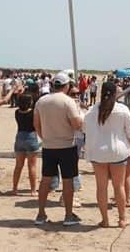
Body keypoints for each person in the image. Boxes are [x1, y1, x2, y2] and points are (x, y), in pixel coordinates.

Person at [84, 81, 130, 228]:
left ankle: (105, 220)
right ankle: (122, 219)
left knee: (101, 187)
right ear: (115, 93)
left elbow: (84, 129)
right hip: (118, 152)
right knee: (118, 186)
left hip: (98, 153)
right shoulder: (122, 109)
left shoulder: (92, 110)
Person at [33, 71, 83, 226]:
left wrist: (45, 137)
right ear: (66, 86)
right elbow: (77, 124)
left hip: (49, 146)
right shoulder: (68, 102)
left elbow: (36, 124)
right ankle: (68, 215)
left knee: (45, 180)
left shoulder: (41, 101)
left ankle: (41, 214)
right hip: (67, 145)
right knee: (68, 181)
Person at [12, 93, 39, 196]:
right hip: (31, 136)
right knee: (32, 166)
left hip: (19, 136)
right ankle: (33, 190)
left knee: (18, 165)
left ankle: (14, 188)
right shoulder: (33, 113)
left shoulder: (17, 112)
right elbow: (36, 125)